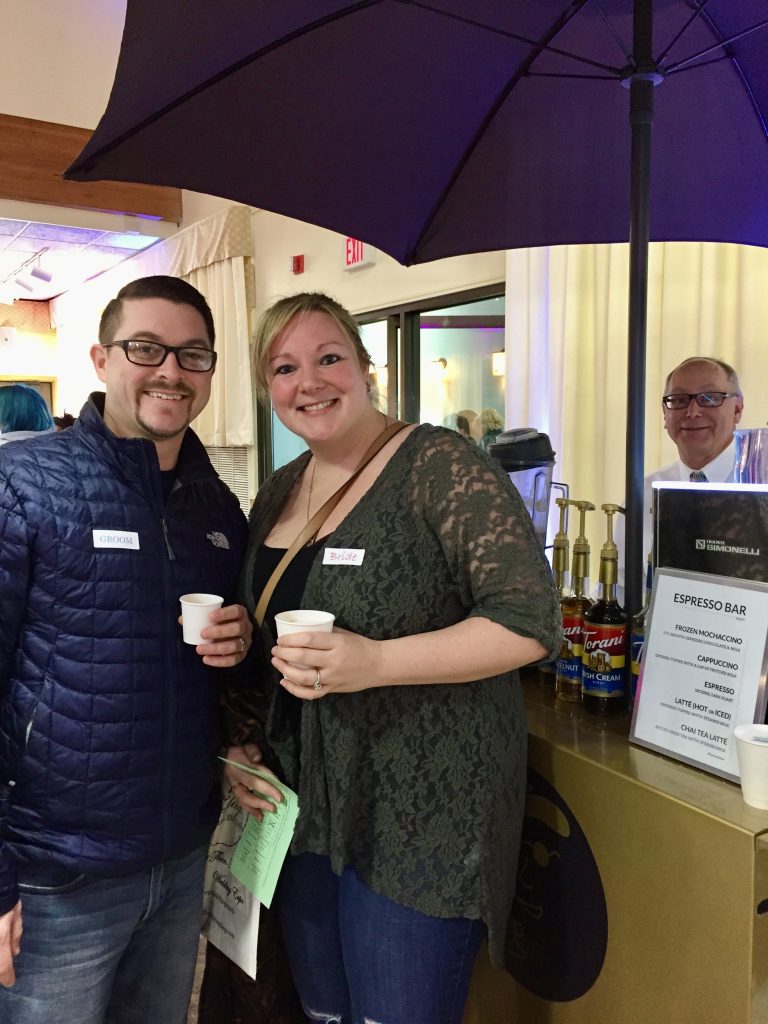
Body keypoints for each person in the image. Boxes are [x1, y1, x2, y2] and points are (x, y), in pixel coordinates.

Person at [224, 292, 562, 1024]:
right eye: (284, 367)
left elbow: (531, 619)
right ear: (267, 388)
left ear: (367, 367)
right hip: (304, 807)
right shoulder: (280, 491)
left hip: (423, 814)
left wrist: (375, 661)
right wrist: (243, 739)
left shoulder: (437, 464)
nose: (309, 381)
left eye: (329, 358)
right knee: (323, 1011)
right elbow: (266, 637)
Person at [0, 275, 254, 1023]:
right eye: (146, 348)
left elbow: (194, 670)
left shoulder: (215, 505)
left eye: (193, 354)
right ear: (101, 359)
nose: (170, 370)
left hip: (178, 861)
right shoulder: (25, 484)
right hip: (55, 875)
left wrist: (236, 650)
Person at [639, 356, 743, 564]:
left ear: (737, 410)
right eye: (678, 400)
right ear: (664, 414)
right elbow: (621, 589)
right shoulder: (642, 496)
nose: (693, 412)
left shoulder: (760, 488)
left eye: (710, 398)